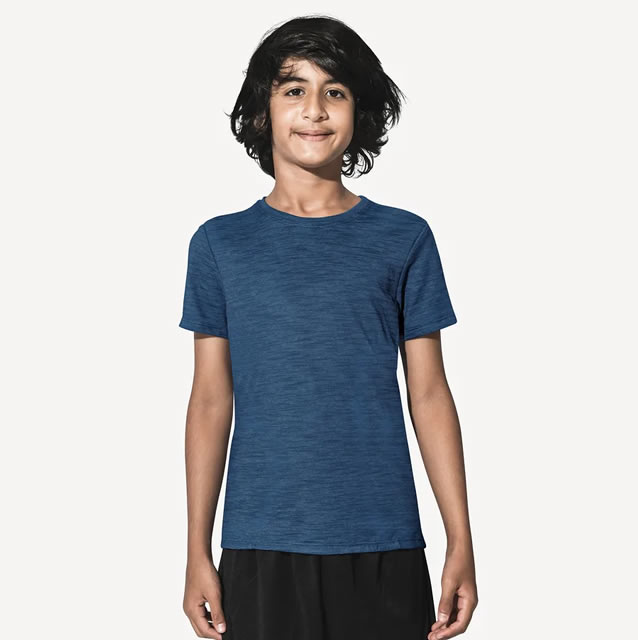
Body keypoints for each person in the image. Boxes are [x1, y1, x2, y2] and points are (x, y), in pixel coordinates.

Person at [179, 14, 478, 640]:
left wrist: (461, 540)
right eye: (294, 89)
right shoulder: (220, 245)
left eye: (334, 91)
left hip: (383, 539)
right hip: (260, 542)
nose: (314, 110)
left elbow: (428, 394)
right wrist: (196, 550)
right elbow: (210, 399)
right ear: (261, 111)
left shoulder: (404, 238)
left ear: (358, 112)